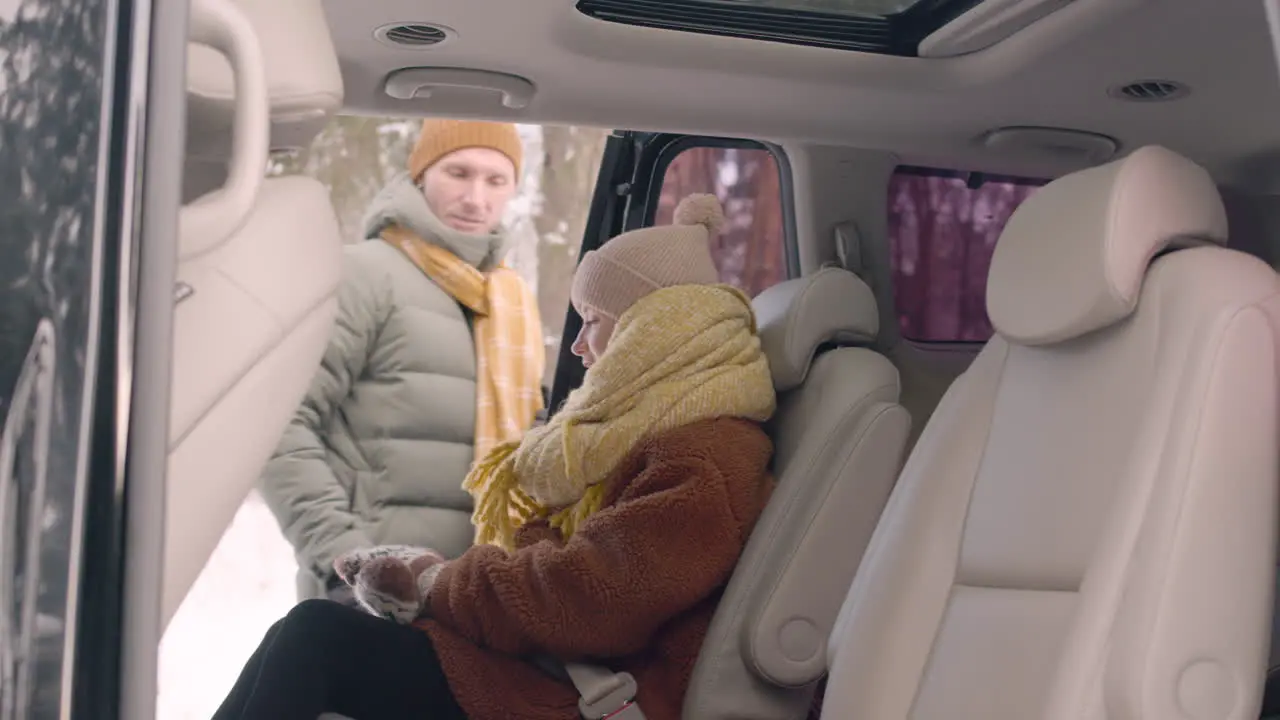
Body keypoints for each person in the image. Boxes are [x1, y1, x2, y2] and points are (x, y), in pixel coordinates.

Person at [213, 194, 778, 720]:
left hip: (597, 696)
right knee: (310, 630)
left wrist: (438, 585)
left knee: (317, 638)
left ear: (651, 333)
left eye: (595, 323)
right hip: (562, 671)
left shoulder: (703, 459)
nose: (580, 347)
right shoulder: (655, 434)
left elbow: (590, 600)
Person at [258, 119, 546, 605]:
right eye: (458, 172)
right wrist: (347, 560)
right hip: (368, 600)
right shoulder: (363, 275)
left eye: (496, 180)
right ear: (420, 176)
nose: (476, 198)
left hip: (476, 603)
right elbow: (278, 425)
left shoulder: (509, 301)